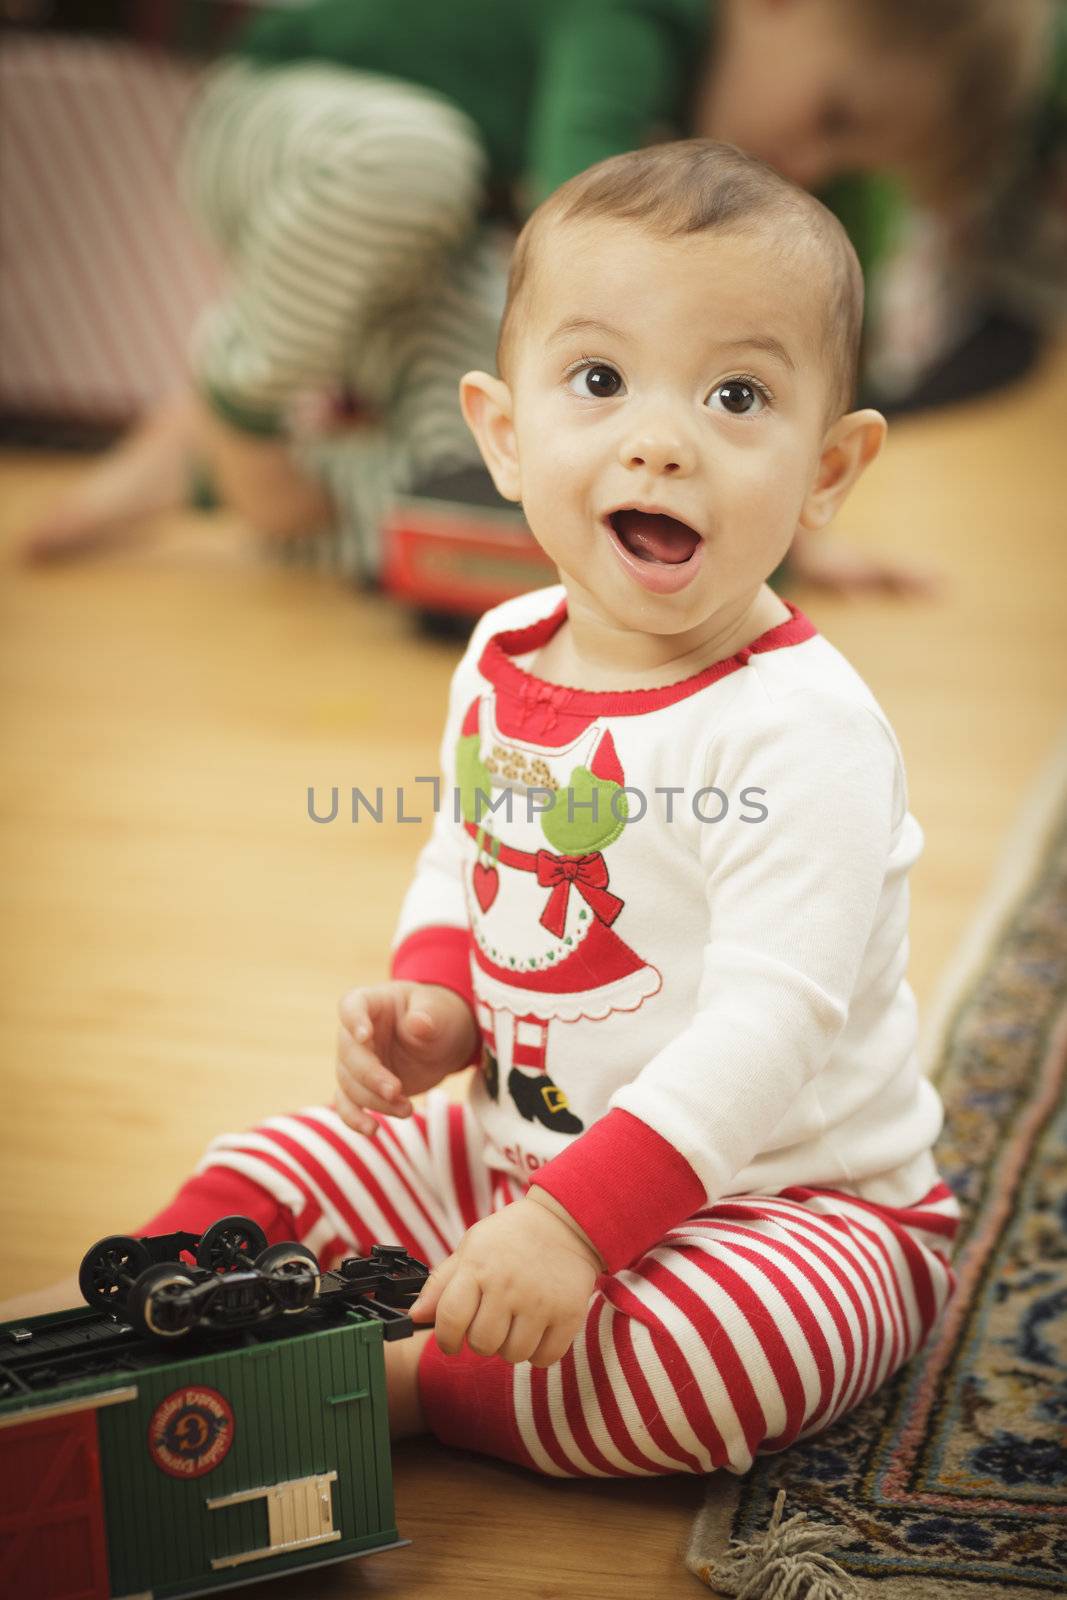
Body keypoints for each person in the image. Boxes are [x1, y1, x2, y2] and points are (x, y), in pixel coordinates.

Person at [5, 142, 963, 1473]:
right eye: (596, 380)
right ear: (504, 434)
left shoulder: (801, 732)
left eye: (735, 395)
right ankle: (104, 1327)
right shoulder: (506, 649)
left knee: (712, 1363)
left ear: (827, 471)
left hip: (783, 1201)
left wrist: (577, 1232)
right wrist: (437, 997)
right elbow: (464, 849)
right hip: (516, 1147)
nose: (657, 437)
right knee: (280, 1163)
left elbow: (765, 1031)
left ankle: (386, 1385)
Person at [19, 0, 1047, 600]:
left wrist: (763, 523)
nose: (805, 161)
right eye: (829, 113)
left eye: (844, 155)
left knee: (504, 503)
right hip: (283, 130)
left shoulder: (706, 91)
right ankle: (232, 406)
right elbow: (584, 250)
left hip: (438, 230)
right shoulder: (632, 17)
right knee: (410, 164)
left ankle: (198, 473)